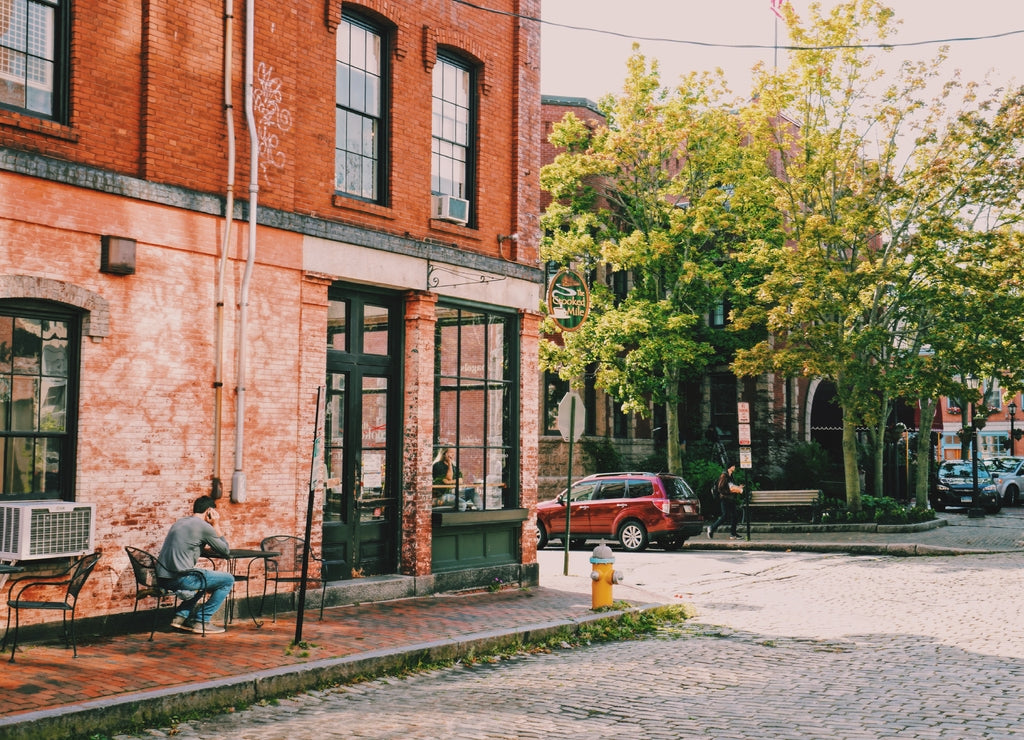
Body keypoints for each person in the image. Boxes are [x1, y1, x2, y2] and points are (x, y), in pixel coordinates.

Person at [156, 495, 235, 634]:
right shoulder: (204, 527)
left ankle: (180, 617)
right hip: (180, 578)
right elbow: (225, 551)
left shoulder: (179, 523)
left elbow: (187, 545)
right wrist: (216, 524)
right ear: (210, 511)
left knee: (206, 580)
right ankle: (201, 620)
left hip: (163, 578)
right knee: (228, 579)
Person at [707, 463, 743, 540]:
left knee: (735, 516)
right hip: (725, 498)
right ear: (729, 467)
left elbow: (731, 486)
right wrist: (731, 491)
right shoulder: (724, 476)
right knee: (725, 516)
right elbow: (720, 488)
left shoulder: (730, 476)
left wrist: (737, 487)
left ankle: (733, 534)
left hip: (730, 498)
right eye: (733, 466)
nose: (734, 467)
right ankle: (711, 528)